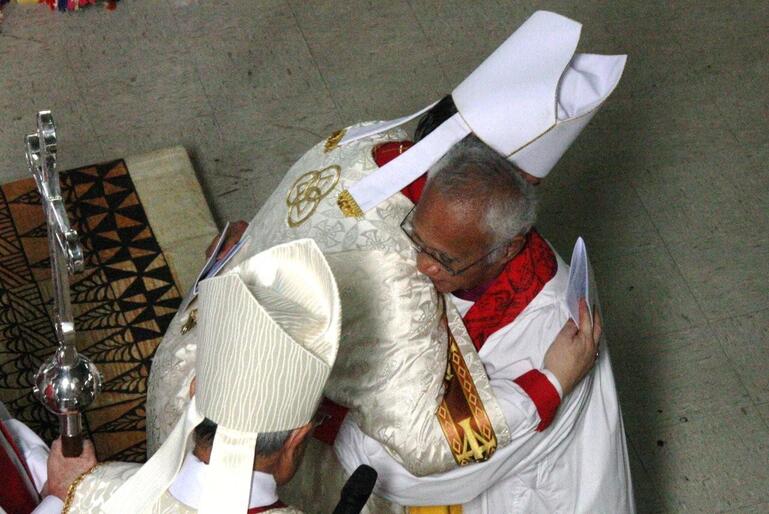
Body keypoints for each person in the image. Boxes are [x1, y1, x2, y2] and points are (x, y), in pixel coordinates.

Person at [43, 238, 341, 513]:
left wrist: (60, 492)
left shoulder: (95, 492)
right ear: (296, 439)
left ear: (195, 393)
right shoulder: (92, 487)